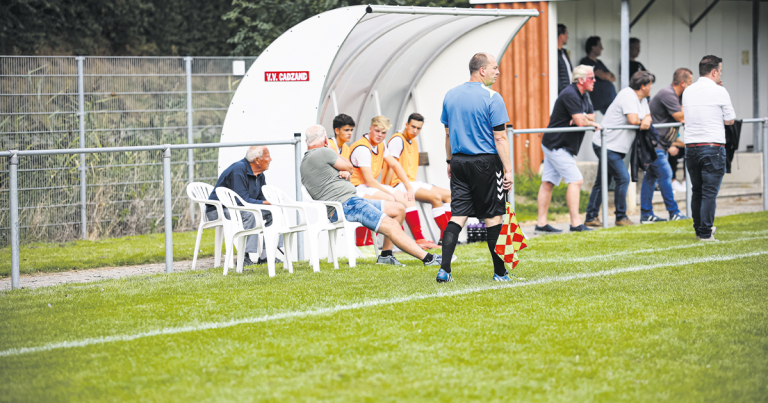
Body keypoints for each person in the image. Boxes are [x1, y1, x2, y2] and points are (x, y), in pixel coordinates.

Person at [300, 124, 446, 266]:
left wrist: (345, 173)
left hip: (346, 204)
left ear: (307, 142)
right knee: (390, 224)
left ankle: (386, 256)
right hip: (348, 205)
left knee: (399, 209)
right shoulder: (324, 152)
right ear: (326, 140)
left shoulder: (305, 162)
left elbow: (341, 176)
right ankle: (428, 258)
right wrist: (333, 150)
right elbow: (349, 166)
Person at [437, 52, 513, 283]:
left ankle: (445, 270)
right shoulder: (492, 97)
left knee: (458, 215)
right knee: (493, 217)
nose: (497, 72)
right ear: (482, 70)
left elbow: (448, 134)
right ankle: (500, 273)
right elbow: (500, 138)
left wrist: (450, 161)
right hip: (486, 164)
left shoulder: (450, 95)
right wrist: (508, 170)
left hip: (459, 162)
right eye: (494, 68)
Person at [348, 115, 439, 250]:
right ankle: (372, 243)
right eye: (377, 131)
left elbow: (395, 165)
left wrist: (408, 188)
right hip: (358, 187)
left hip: (369, 185)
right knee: (392, 201)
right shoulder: (362, 148)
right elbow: (369, 181)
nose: (380, 135)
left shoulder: (380, 144)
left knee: (406, 198)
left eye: (383, 132)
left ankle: (418, 239)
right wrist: (389, 192)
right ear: (370, 129)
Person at [536, 65, 601, 235]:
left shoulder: (583, 95)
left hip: (560, 144)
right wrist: (584, 120)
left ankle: (541, 225)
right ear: (580, 80)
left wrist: (583, 118)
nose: (594, 81)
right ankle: (575, 224)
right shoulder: (570, 93)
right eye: (591, 78)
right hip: (556, 145)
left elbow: (588, 117)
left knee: (548, 182)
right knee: (576, 180)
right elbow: (582, 121)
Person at [585, 71, 655, 227]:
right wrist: (643, 121)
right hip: (606, 144)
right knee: (623, 178)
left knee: (602, 181)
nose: (651, 87)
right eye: (650, 84)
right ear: (642, 86)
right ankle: (620, 217)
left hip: (615, 147)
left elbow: (648, 115)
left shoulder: (642, 98)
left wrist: (647, 119)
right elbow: (633, 120)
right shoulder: (627, 95)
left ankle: (591, 216)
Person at [682, 55, 735, 241]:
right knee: (709, 193)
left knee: (697, 191)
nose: (720, 73)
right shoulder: (720, 91)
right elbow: (730, 120)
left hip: (691, 147)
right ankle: (705, 233)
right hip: (712, 147)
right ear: (714, 72)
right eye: (720, 70)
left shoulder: (687, 91)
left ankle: (699, 230)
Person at [206, 146, 282, 266]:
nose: (270, 159)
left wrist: (271, 201)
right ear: (257, 160)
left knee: (273, 212)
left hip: (237, 208)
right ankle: (244, 256)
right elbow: (241, 201)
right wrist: (265, 203)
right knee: (250, 214)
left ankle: (266, 256)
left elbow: (261, 198)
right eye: (268, 157)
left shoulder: (260, 174)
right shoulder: (239, 169)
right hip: (219, 210)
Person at [382, 113, 452, 242]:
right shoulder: (398, 139)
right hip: (398, 184)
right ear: (406, 124)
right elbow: (392, 167)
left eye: (418, 128)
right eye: (413, 126)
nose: (415, 131)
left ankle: (445, 236)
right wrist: (387, 189)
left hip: (411, 182)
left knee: (449, 195)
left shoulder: (413, 141)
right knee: (435, 198)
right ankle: (430, 238)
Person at [641, 68, 694, 223]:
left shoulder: (678, 96)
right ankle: (674, 212)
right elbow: (680, 116)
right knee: (666, 174)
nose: (692, 85)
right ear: (683, 83)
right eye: (690, 82)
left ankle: (646, 215)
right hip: (653, 144)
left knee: (650, 177)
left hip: (660, 144)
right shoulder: (668, 94)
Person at [580, 36, 617, 114]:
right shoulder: (586, 62)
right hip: (599, 102)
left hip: (610, 99)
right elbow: (604, 76)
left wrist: (606, 75)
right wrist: (606, 76)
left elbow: (613, 77)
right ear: (593, 47)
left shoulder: (599, 62)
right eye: (599, 46)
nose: (602, 48)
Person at [557, 24, 573, 95]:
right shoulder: (553, 54)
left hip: (568, 90)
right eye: (566, 34)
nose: (567, 37)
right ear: (561, 36)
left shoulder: (564, 52)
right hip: (562, 92)